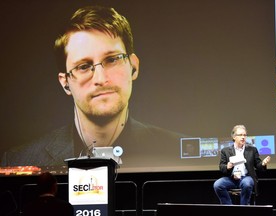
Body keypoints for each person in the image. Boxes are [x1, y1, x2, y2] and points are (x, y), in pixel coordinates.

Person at [1, 5, 186, 171]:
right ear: (65, 82)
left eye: (112, 59)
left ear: (134, 67)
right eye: (83, 66)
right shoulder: (18, 160)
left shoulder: (178, 152)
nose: (100, 78)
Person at [213, 125, 271, 205]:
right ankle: (228, 208)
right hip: (231, 179)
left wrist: (263, 164)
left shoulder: (252, 150)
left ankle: (243, 209)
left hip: (246, 177)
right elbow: (221, 167)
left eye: (244, 135)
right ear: (234, 137)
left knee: (247, 184)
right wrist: (227, 166)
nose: (243, 137)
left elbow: (258, 165)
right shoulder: (225, 151)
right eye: (240, 135)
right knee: (218, 184)